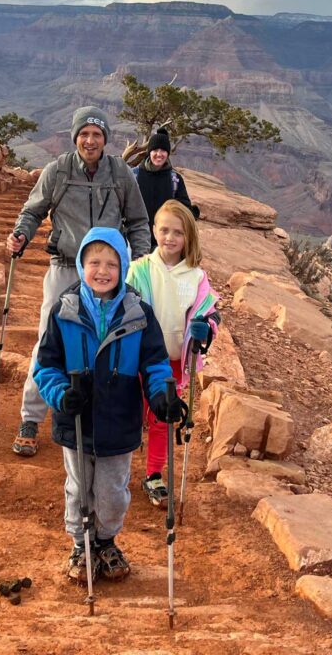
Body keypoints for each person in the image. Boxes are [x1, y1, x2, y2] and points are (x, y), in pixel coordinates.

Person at [34, 226, 182, 583]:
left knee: (112, 491)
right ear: (82, 264)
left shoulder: (138, 314)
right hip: (77, 421)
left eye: (112, 263)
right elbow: (46, 366)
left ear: (124, 266)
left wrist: (163, 393)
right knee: (78, 488)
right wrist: (60, 395)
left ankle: (105, 540)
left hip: (119, 420)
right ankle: (80, 544)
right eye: (94, 262)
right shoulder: (64, 310)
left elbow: (156, 363)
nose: (102, 271)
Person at [7, 106, 151, 457]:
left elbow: (138, 221)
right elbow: (33, 211)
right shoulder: (58, 171)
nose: (90, 140)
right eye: (84, 134)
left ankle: (97, 417)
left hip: (106, 273)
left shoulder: (119, 174)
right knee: (49, 340)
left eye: (97, 134)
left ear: (105, 140)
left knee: (105, 343)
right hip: (66, 266)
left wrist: (142, 258)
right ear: (75, 138)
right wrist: (20, 235)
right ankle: (31, 417)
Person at [126, 199, 219, 507]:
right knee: (129, 411)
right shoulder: (139, 270)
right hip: (137, 358)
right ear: (154, 231)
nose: (169, 238)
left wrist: (205, 330)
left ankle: (153, 473)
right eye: (164, 230)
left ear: (188, 236)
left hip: (175, 363)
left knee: (162, 418)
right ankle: (118, 468)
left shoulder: (196, 277)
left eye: (177, 232)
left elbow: (209, 313)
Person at [132, 127, 199, 247]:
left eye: (163, 150)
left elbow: (183, 207)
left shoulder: (175, 179)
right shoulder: (134, 175)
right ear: (149, 152)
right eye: (155, 150)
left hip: (163, 244)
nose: (159, 154)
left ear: (168, 153)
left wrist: (191, 213)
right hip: (136, 241)